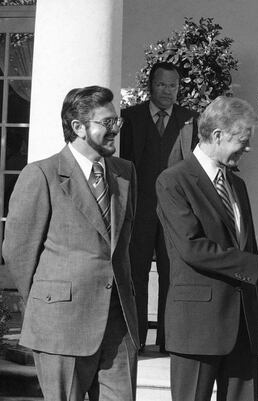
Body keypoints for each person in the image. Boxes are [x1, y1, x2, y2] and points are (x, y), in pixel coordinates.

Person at [3, 86, 139, 401]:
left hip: (119, 325)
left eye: (116, 121)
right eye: (107, 122)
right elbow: (18, 252)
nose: (115, 129)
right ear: (78, 127)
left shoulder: (125, 173)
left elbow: (125, 245)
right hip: (62, 325)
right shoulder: (41, 174)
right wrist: (49, 301)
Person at [155, 95, 258, 401]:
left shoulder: (236, 185)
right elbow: (193, 248)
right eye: (242, 141)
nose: (248, 148)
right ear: (217, 135)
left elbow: (248, 248)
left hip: (242, 329)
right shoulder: (173, 181)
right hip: (196, 328)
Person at [120, 61, 198, 352]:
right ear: (150, 85)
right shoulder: (129, 118)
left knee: (173, 274)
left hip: (175, 213)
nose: (167, 91)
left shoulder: (191, 119)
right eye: (162, 85)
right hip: (138, 210)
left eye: (173, 85)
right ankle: (136, 339)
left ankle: (170, 340)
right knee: (135, 274)